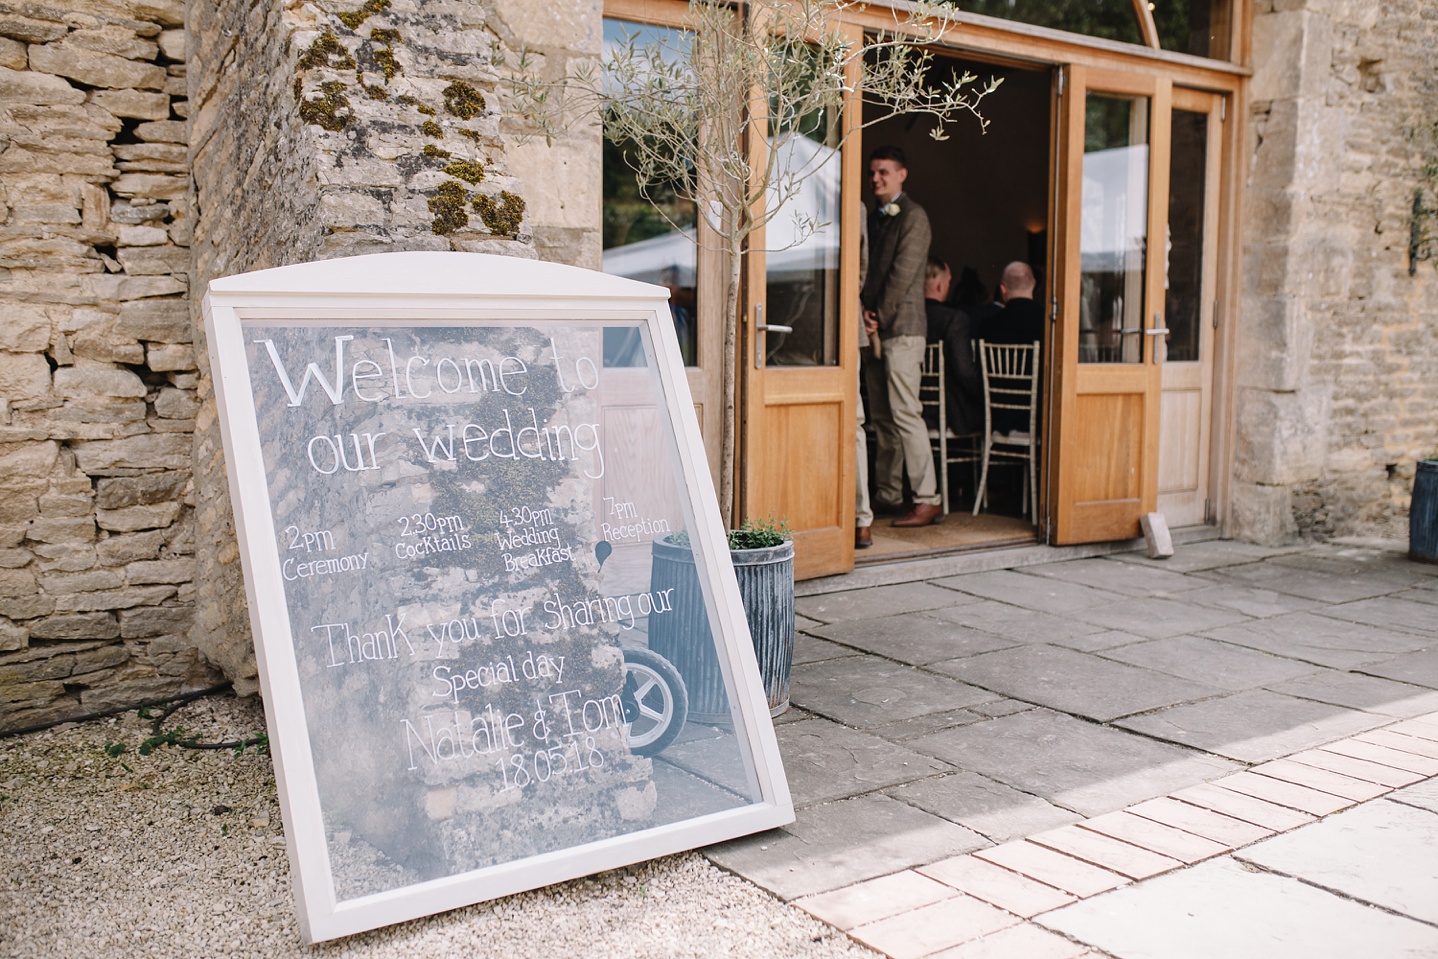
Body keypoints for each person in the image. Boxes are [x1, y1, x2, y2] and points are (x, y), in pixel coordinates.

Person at [860, 146, 942, 528]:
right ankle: (889, 494)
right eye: (873, 172)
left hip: (904, 329)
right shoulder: (877, 217)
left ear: (902, 175)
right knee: (881, 417)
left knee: (906, 412)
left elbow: (904, 273)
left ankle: (928, 498)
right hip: (876, 328)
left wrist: (876, 317)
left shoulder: (915, 216)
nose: (875, 178)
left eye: (883, 172)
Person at [977, 260, 1044, 436]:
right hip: (1040, 418)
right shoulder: (1046, 325)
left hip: (998, 418)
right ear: (1033, 285)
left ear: (1003, 289)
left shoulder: (987, 326)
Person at [924, 257, 983, 437]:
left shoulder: (909, 318)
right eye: (949, 282)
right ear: (940, 286)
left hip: (915, 406)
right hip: (947, 412)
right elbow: (964, 371)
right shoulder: (953, 319)